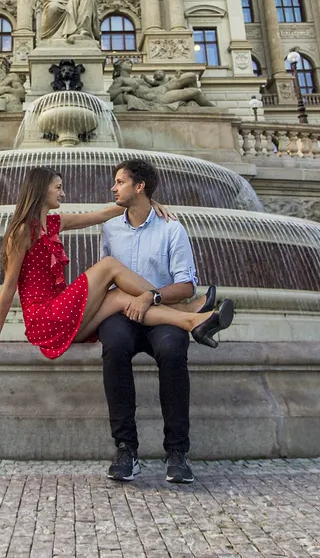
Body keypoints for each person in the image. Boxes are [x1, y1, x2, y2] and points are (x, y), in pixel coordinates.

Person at [0, 167, 234, 472]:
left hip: (63, 315)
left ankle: (189, 321)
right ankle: (187, 311)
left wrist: (145, 202)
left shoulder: (55, 223)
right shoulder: (21, 232)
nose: (63, 193)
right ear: (41, 190)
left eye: (61, 187)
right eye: (58, 188)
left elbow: (100, 214)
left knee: (119, 295)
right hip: (46, 321)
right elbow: (9, 285)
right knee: (109, 267)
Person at [98, 159, 212, 484]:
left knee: (173, 349)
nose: (113, 187)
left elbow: (186, 284)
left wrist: (153, 296)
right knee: (115, 346)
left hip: (160, 314)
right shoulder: (110, 228)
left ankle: (177, 452)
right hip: (123, 315)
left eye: (119, 182)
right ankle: (125, 449)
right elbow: (106, 280)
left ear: (139, 186)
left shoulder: (171, 228)